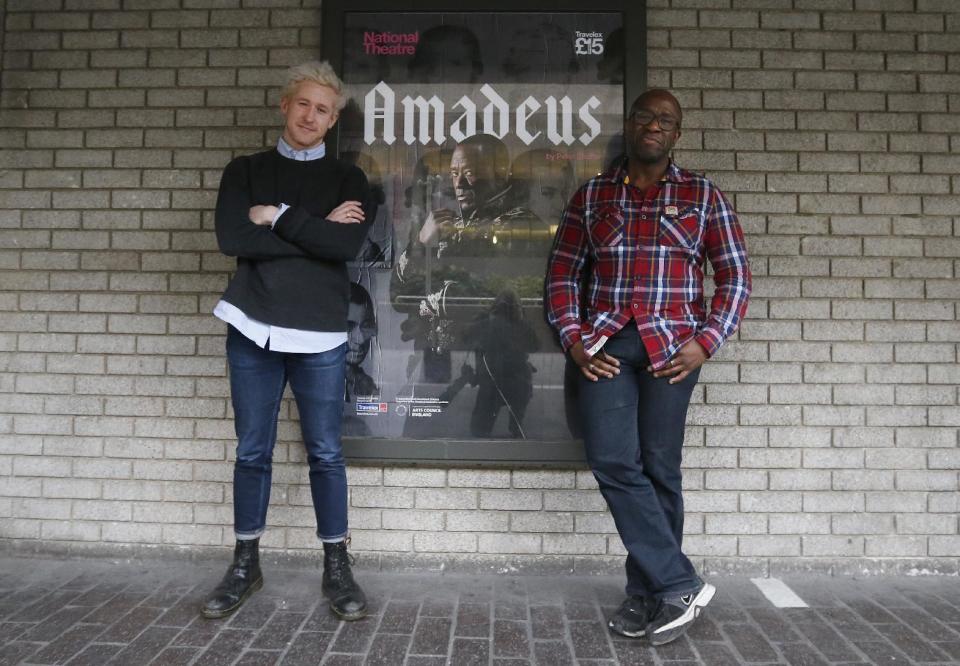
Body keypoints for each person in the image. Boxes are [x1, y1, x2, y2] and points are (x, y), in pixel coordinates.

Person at [545, 89, 751, 645]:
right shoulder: (593, 196)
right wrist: (574, 341)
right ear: (630, 124)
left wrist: (706, 343)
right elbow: (563, 274)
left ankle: (647, 595)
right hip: (607, 346)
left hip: (673, 352)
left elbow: (734, 276)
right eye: (645, 116)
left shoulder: (702, 195)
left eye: (667, 120)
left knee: (660, 468)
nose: (654, 125)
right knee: (614, 460)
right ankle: (679, 582)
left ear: (676, 134)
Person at [203, 61, 373, 622]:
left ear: (333, 121)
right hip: (252, 323)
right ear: (284, 105)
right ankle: (245, 564)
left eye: (323, 110)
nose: (311, 116)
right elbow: (234, 237)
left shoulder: (350, 180)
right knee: (252, 451)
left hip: (319, 330)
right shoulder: (246, 169)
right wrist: (313, 229)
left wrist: (276, 217)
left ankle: (337, 566)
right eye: (304, 103)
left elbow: (346, 247)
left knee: (325, 453)